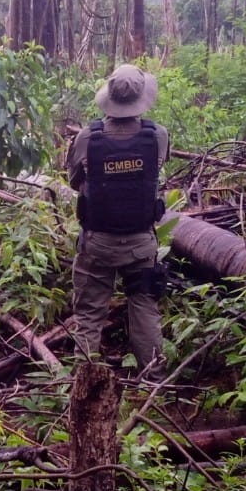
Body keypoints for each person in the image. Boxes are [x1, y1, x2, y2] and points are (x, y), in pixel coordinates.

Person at [63, 64, 171, 370]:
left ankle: (80, 383)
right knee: (145, 308)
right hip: (140, 241)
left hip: (97, 242)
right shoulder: (157, 136)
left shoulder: (87, 138)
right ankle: (153, 381)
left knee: (88, 315)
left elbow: (74, 181)